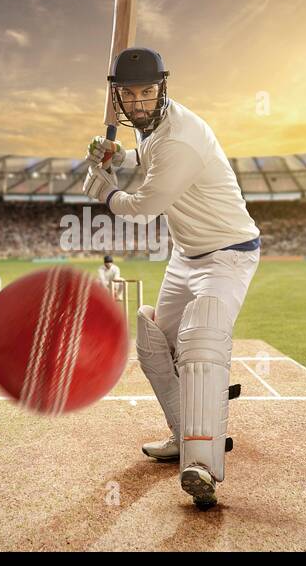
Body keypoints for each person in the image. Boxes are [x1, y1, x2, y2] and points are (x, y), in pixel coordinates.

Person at [83, 47, 260, 509]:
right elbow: (146, 164)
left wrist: (107, 191)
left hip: (227, 254)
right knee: (154, 338)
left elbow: (142, 208)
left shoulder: (179, 137)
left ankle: (203, 466)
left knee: (200, 338)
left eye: (147, 92)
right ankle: (185, 434)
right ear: (118, 97)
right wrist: (118, 156)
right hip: (186, 256)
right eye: (130, 94)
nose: (139, 102)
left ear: (163, 88)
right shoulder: (153, 129)